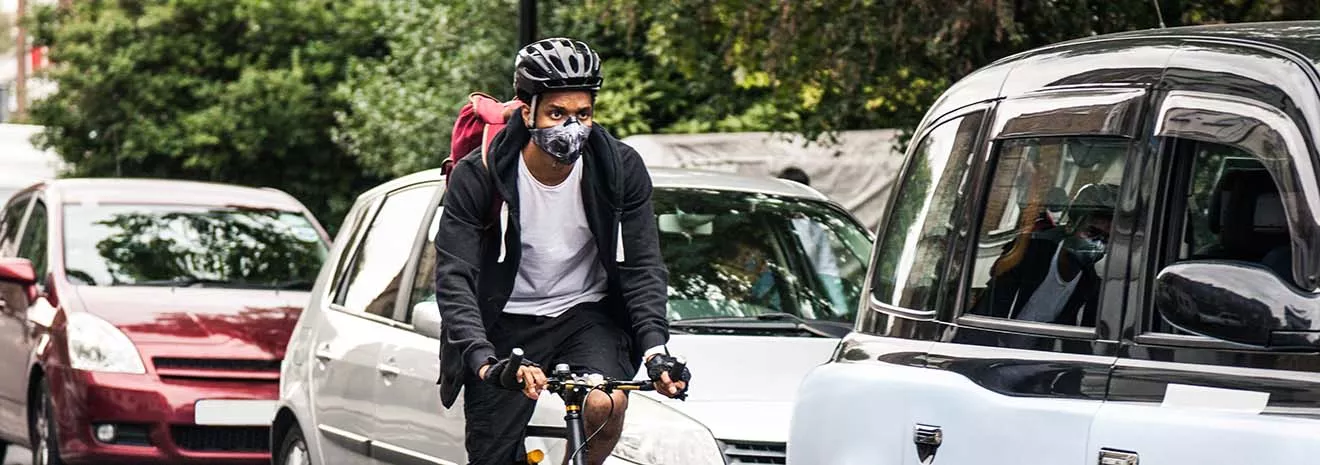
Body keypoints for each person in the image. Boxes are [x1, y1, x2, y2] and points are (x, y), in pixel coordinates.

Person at [432, 38, 690, 465]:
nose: (572, 127)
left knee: (607, 402)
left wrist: (655, 349)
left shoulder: (619, 168)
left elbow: (643, 265)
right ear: (527, 111)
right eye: (557, 113)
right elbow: (454, 277)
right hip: (504, 322)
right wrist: (483, 360)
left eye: (582, 114)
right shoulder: (479, 175)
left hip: (584, 315)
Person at [777, 166, 850, 315]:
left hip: (805, 302)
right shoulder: (770, 222)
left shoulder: (814, 227)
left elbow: (826, 269)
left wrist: (841, 309)